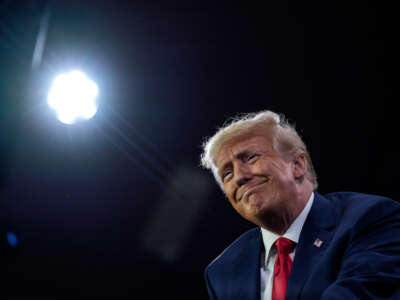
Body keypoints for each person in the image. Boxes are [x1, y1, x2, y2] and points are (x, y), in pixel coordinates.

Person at [200, 110, 400, 300]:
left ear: (298, 165)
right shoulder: (222, 271)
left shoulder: (371, 219)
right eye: (227, 174)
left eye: (251, 158)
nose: (239, 177)